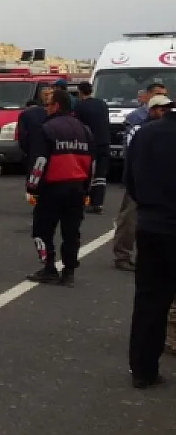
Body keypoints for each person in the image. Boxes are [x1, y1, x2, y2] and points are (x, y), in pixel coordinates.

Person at [124, 95, 176, 389]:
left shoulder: (146, 133)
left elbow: (130, 180)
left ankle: (143, 370)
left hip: (153, 226)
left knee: (150, 301)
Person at [24, 89, 94, 287]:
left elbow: (39, 162)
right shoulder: (85, 130)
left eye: (47, 104)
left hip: (52, 189)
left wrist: (32, 188)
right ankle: (69, 272)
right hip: (77, 189)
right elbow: (92, 164)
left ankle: (49, 268)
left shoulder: (46, 128)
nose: (45, 108)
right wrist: (87, 190)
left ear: (56, 106)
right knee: (71, 232)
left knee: (41, 230)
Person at [112, 94, 173, 271]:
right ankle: (122, 254)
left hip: (161, 183)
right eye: (162, 109)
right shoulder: (139, 129)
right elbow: (132, 156)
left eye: (167, 109)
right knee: (129, 219)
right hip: (141, 181)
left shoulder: (165, 130)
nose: (165, 112)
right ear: (152, 110)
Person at [73, 81, 111, 214]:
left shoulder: (80, 106)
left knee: (87, 173)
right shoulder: (102, 103)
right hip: (105, 141)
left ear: (80, 92)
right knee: (101, 174)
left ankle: (84, 200)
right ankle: (98, 203)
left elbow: (78, 126)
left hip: (89, 143)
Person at [18, 87, 53, 173]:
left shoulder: (27, 114)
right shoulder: (60, 115)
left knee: (34, 179)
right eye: (46, 94)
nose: (46, 97)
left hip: (34, 153)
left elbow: (22, 136)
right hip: (53, 154)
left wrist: (29, 150)